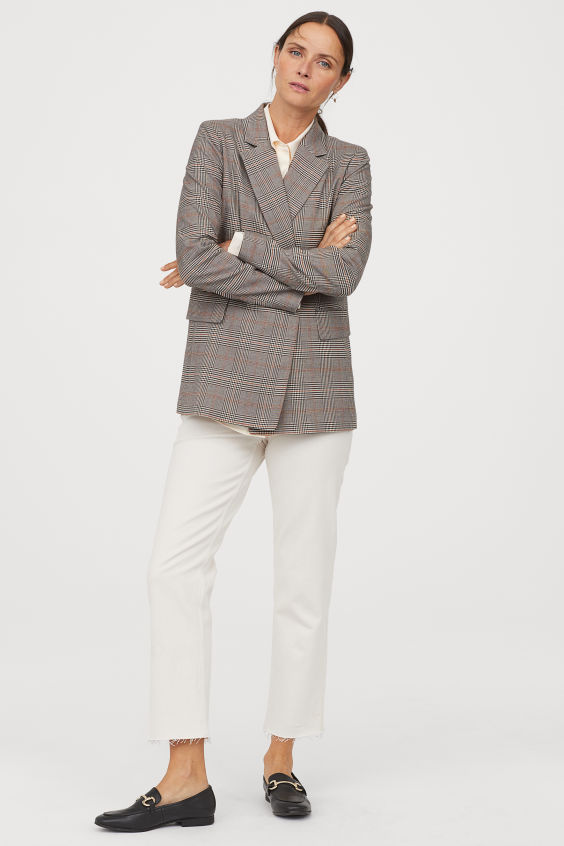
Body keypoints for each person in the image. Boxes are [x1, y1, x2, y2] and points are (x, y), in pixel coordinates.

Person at [94, 10, 372, 832]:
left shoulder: (349, 162)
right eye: (297, 51)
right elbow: (194, 249)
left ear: (341, 82)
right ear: (276, 56)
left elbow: (345, 273)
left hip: (315, 386)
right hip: (223, 376)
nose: (306, 68)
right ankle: (186, 774)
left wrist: (241, 245)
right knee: (173, 566)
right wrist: (294, 269)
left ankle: (281, 759)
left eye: (325, 62)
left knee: (303, 582)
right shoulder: (218, 140)